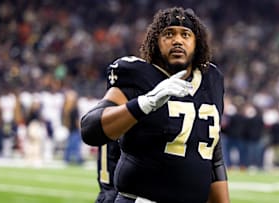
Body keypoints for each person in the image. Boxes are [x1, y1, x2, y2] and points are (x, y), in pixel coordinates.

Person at [81, 7, 229, 203]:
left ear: (197, 43)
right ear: (155, 41)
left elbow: (213, 155)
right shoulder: (137, 75)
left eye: (186, 34)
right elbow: (90, 129)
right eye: (169, 34)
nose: (177, 40)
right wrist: (145, 103)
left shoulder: (212, 79)